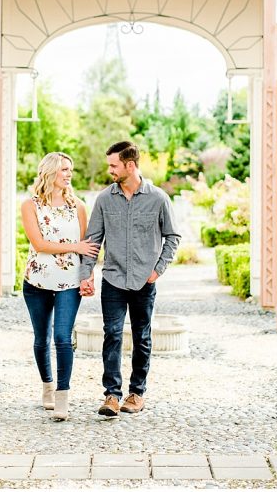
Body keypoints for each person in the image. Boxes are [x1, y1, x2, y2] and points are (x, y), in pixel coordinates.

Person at [79, 140, 180, 417]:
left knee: (142, 337)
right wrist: (85, 273)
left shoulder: (158, 198)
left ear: (130, 165)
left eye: (114, 165)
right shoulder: (103, 199)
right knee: (111, 334)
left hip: (143, 281)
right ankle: (112, 395)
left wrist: (157, 270)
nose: (110, 169)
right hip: (113, 278)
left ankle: (137, 393)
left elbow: (173, 237)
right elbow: (92, 240)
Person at [20, 152, 98, 421]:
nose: (68, 174)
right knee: (41, 338)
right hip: (37, 281)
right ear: (50, 171)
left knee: (63, 337)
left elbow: (88, 248)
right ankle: (47, 387)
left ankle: (63, 395)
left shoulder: (78, 206)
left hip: (69, 281)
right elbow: (39, 245)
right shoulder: (30, 206)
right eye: (64, 169)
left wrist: (88, 276)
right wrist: (74, 246)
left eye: (70, 169)